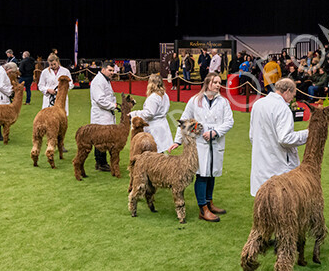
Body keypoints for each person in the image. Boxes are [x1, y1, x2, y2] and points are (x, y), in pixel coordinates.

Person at [169, 73, 234, 222]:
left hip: (215, 142)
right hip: (199, 144)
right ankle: (202, 208)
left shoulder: (223, 102)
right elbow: (184, 121)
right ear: (207, 83)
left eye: (219, 82)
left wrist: (215, 132)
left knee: (212, 173)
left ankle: (209, 202)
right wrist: (177, 141)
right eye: (215, 82)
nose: (218, 85)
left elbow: (229, 122)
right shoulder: (194, 101)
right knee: (202, 174)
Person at [249, 78, 308, 196]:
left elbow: (252, 135)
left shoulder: (258, 104)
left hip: (260, 163)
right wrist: (307, 133)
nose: (292, 99)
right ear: (287, 91)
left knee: (262, 204)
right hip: (278, 167)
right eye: (293, 95)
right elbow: (285, 139)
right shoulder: (283, 108)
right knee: (280, 205)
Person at [131, 73, 173, 153]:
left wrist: (135, 113)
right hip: (162, 125)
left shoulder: (153, 97)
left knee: (153, 151)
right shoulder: (164, 95)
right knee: (159, 151)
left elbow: (149, 114)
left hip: (154, 127)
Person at [89, 61, 118, 171]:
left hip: (105, 114)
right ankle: (101, 163)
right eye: (110, 70)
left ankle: (101, 163)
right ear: (103, 69)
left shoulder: (105, 80)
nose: (112, 72)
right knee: (101, 140)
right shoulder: (98, 81)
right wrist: (113, 106)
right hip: (101, 115)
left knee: (104, 139)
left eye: (113, 70)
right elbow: (100, 99)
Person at [0, 62, 19, 141]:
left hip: (0, 97)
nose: (11, 73)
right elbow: (0, 86)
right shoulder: (0, 73)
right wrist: (10, 92)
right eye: (11, 72)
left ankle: (2, 135)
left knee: (1, 117)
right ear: (9, 69)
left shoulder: (1, 72)